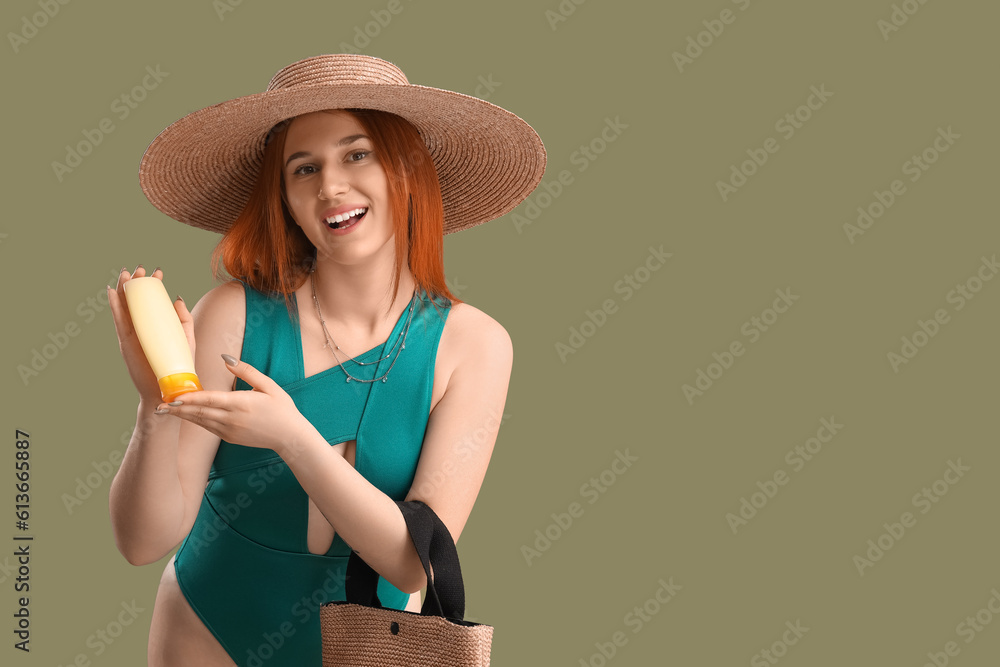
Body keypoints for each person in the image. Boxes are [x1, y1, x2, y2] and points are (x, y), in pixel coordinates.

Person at [107, 54, 545, 666]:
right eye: (304, 168)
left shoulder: (474, 345)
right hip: (207, 626)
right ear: (284, 197)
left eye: (356, 154)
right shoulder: (231, 316)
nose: (330, 186)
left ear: (408, 171)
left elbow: (411, 564)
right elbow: (142, 542)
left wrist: (292, 437)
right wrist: (154, 409)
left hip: (367, 650)